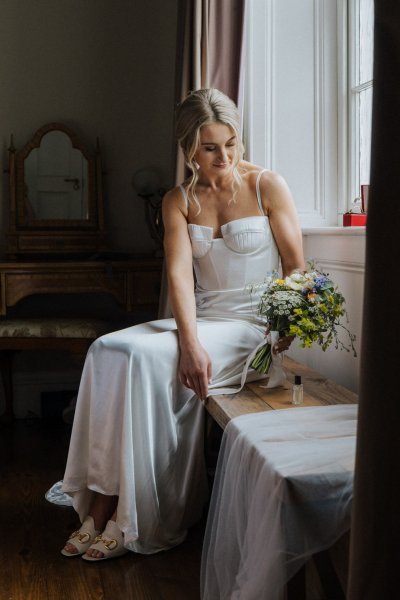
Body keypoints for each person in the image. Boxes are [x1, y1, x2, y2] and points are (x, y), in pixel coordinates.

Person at [57, 88, 305, 561]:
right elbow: (178, 277)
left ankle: (122, 515)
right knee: (108, 349)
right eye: (210, 147)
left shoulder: (266, 185)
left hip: (252, 330)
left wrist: (284, 327)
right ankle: (101, 504)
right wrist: (189, 343)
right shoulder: (178, 199)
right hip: (201, 322)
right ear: (188, 146)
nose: (223, 156)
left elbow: (296, 268)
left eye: (230, 143)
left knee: (138, 355)